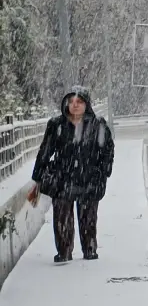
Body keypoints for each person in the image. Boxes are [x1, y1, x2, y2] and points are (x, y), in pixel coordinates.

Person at [28, 86, 115, 264]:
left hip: (89, 178)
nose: (75, 105)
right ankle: (64, 252)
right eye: (71, 102)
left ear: (87, 104)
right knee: (62, 219)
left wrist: (103, 171)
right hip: (62, 178)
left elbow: (107, 149)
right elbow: (45, 151)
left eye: (79, 102)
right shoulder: (56, 125)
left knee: (88, 218)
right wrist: (37, 177)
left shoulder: (98, 124)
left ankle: (89, 250)